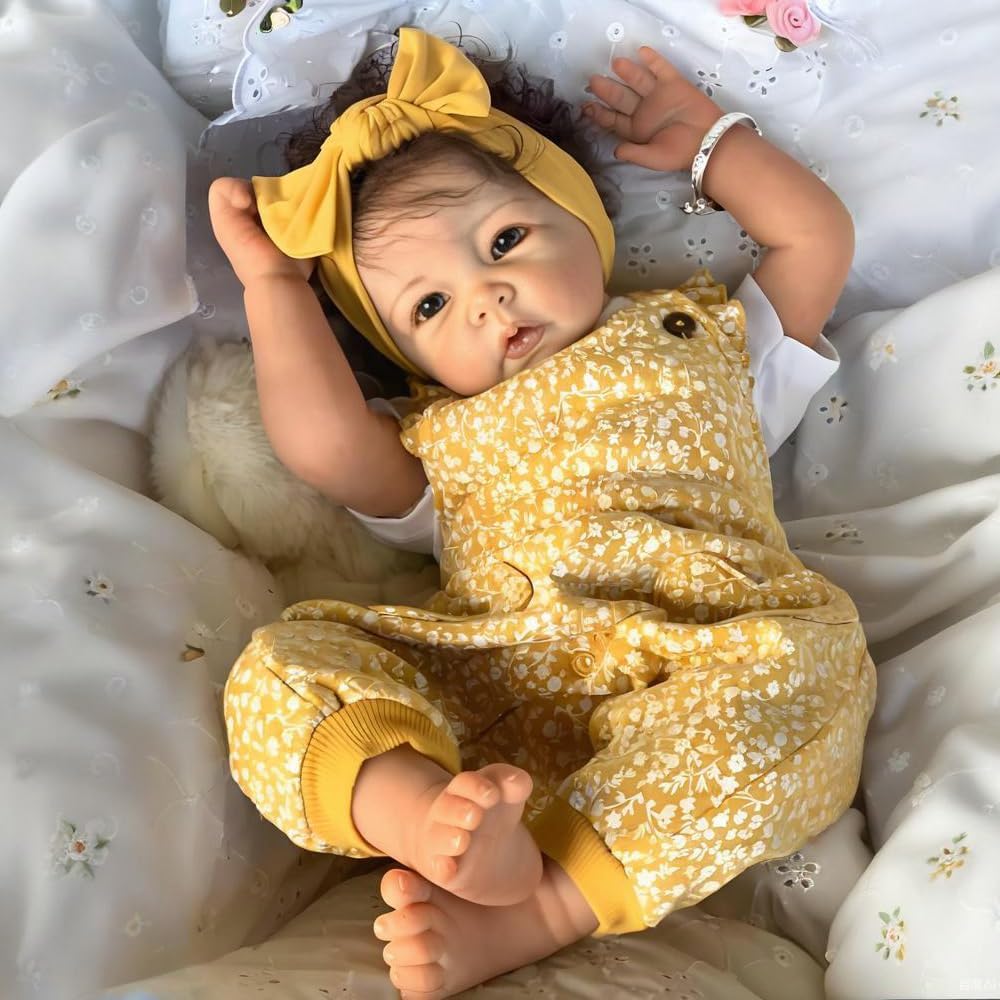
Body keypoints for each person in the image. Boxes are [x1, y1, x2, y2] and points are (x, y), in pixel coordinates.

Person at [209, 27, 875, 1000]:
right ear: (408, 358)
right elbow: (320, 446)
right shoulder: (435, 435)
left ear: (580, 218)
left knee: (815, 673)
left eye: (504, 242)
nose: (485, 298)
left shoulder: (707, 338)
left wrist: (712, 142)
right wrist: (272, 287)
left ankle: (546, 904)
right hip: (495, 681)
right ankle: (420, 816)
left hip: (707, 657)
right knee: (278, 669)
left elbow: (814, 239)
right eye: (429, 307)